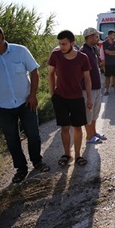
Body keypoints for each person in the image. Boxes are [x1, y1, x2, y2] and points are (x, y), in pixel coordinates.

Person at [0, 23, 50, 184]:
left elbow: (34, 71)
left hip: (26, 102)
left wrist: (33, 95)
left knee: (33, 135)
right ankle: (21, 169)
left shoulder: (20, 51)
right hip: (3, 106)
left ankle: (37, 161)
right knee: (12, 139)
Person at [48, 30, 92, 167]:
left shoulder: (83, 57)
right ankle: (67, 154)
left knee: (77, 127)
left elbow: (87, 78)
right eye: (60, 44)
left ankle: (78, 155)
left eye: (64, 44)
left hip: (77, 97)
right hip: (60, 97)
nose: (61, 47)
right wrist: (52, 93)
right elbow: (51, 74)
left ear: (72, 43)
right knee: (65, 127)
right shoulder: (55, 55)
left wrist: (89, 98)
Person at [80, 28, 107, 144]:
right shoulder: (83, 52)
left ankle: (94, 132)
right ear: (90, 37)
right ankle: (89, 136)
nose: (98, 39)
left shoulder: (93, 49)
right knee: (89, 113)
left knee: (95, 112)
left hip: (96, 86)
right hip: (88, 89)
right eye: (96, 36)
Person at [102, 30, 115, 95]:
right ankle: (107, 90)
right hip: (108, 63)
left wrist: (111, 52)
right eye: (113, 35)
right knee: (107, 77)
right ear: (109, 35)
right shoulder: (105, 43)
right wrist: (114, 52)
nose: (114, 36)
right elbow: (107, 52)